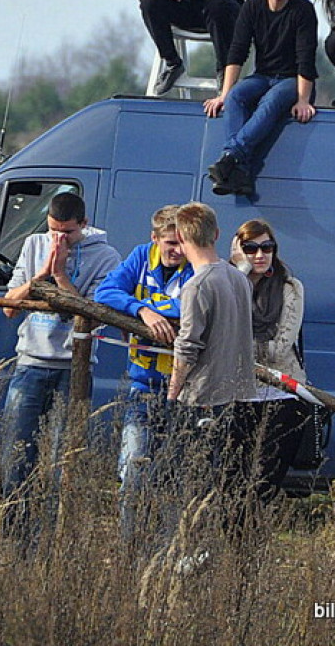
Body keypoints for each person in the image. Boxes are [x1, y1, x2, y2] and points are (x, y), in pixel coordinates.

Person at [0, 191, 121, 539]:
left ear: (83, 224)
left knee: (62, 460)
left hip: (73, 367)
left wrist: (62, 275)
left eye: (66, 232)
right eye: (53, 230)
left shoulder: (107, 256)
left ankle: (52, 538)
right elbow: (9, 306)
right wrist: (42, 274)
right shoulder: (33, 244)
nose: (58, 239)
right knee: (16, 452)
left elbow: (94, 315)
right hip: (30, 362)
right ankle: (14, 536)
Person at [94, 205, 193, 537]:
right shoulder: (140, 256)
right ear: (155, 239)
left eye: (182, 243)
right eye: (170, 244)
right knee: (133, 469)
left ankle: (168, 547)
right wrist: (142, 311)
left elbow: (193, 306)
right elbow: (105, 292)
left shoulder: (196, 263)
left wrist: (158, 308)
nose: (177, 251)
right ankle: (128, 543)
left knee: (175, 475)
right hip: (143, 384)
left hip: (185, 389)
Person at [166, 203, 255, 563]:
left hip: (204, 396)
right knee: (227, 481)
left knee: (194, 483)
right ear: (216, 235)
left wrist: (174, 391)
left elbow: (187, 345)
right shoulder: (237, 278)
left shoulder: (197, 284)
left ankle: (192, 553)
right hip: (240, 395)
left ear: (184, 238)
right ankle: (220, 553)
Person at [205, 0, 319, 197]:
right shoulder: (252, 7)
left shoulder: (303, 10)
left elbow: (306, 59)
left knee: (271, 101)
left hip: (294, 80)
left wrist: (302, 100)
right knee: (236, 97)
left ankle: (230, 156)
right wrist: (224, 94)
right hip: (263, 75)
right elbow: (237, 52)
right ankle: (241, 171)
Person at [229, 219, 310, 503]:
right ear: (238, 250)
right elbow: (222, 328)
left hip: (281, 395)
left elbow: (278, 350)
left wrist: (236, 348)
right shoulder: (228, 282)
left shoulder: (290, 286)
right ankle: (229, 546)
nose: (260, 255)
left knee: (263, 485)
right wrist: (241, 274)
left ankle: (250, 544)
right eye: (250, 248)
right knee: (231, 484)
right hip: (236, 395)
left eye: (267, 247)